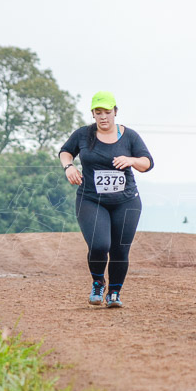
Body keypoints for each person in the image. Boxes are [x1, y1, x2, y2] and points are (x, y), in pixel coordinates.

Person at [59, 91, 154, 308]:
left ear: (115, 112)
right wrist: (69, 166)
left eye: (107, 112)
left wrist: (130, 160)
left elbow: (147, 163)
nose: (103, 117)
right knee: (100, 245)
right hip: (91, 199)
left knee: (120, 249)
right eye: (98, 112)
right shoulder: (83, 135)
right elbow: (65, 151)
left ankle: (114, 293)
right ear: (93, 114)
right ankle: (98, 282)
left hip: (126, 201)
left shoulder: (130, 136)